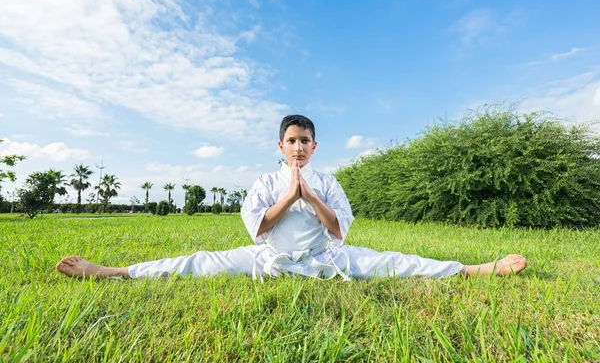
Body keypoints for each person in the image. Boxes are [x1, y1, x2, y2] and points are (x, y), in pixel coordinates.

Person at [56, 115, 527, 280]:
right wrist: (288, 195)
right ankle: (112, 271)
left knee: (395, 262)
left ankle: (477, 268)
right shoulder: (263, 183)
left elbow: (340, 230)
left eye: (306, 141)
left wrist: (311, 195)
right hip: (269, 259)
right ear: (280, 146)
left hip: (328, 259)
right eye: (292, 140)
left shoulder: (329, 182)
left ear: (314, 146)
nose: (299, 147)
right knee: (196, 261)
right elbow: (259, 228)